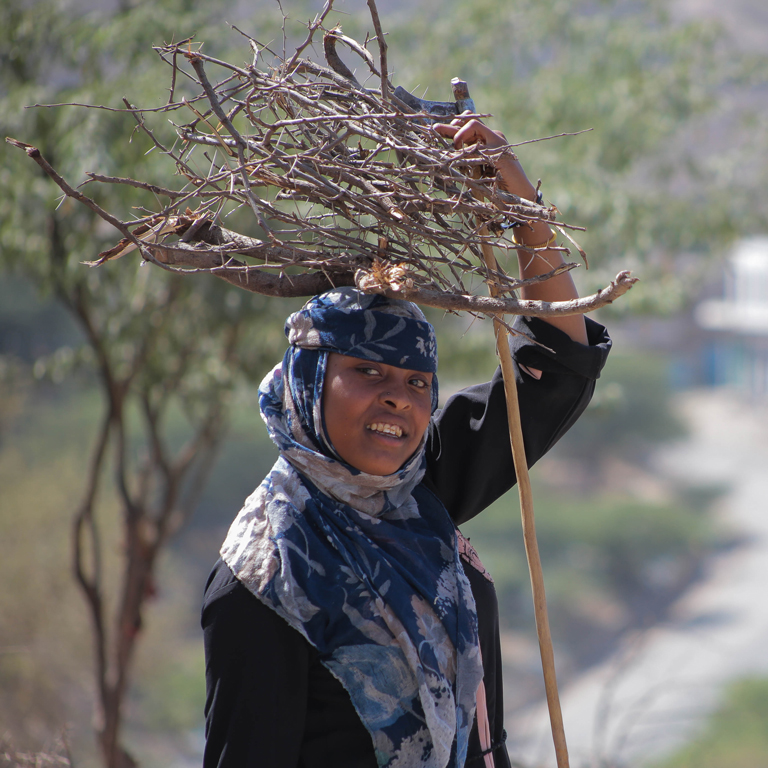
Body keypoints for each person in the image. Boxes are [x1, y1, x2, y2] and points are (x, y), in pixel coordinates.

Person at [201, 118, 612, 768]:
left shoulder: (424, 492)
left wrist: (523, 212)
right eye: (367, 372)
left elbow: (560, 363)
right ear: (308, 386)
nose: (399, 398)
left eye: (418, 381)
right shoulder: (261, 583)